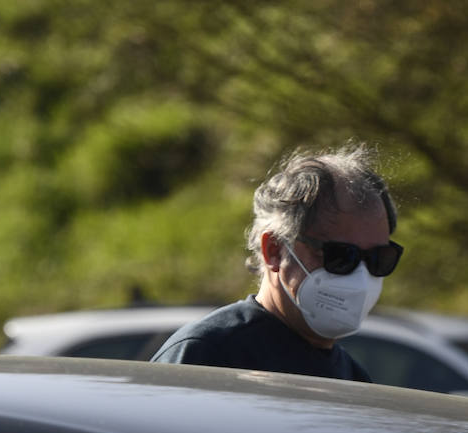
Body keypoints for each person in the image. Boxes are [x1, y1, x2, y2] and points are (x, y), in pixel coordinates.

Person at [150, 143, 402, 379]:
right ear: (275, 249)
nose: (359, 277)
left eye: (378, 259)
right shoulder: (208, 357)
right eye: (341, 256)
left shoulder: (354, 380)